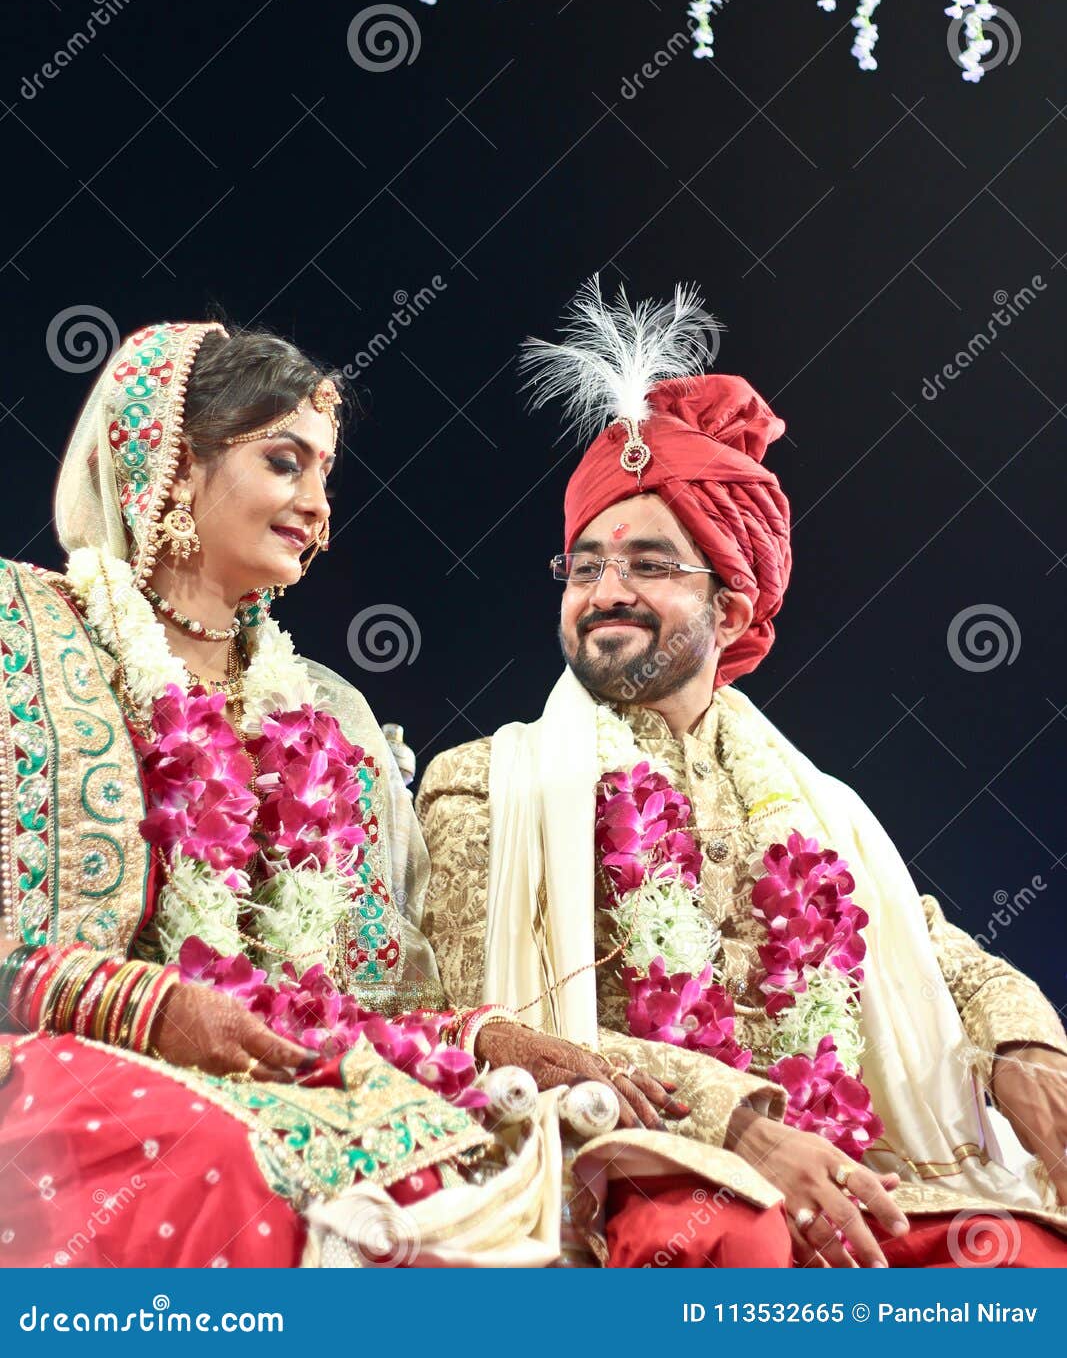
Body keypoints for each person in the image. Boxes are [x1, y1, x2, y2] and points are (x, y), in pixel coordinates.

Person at [417, 278, 1067, 1269]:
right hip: (639, 1167)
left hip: (849, 1166)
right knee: (738, 1240)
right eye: (582, 564)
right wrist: (738, 1122)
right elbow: (489, 1020)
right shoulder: (481, 783)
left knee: (1020, 1252)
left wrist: (1022, 1045)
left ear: (730, 606)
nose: (604, 592)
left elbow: (932, 951)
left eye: (646, 563)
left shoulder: (820, 810)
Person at [0, 318, 561, 1269]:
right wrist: (154, 1008)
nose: (318, 504)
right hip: (56, 1060)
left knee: (474, 1164)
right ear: (174, 466)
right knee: (223, 1156)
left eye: (325, 473)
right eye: (284, 462)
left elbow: (364, 996)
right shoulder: (23, 638)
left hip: (280, 1064)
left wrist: (486, 1032)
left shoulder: (327, 713)